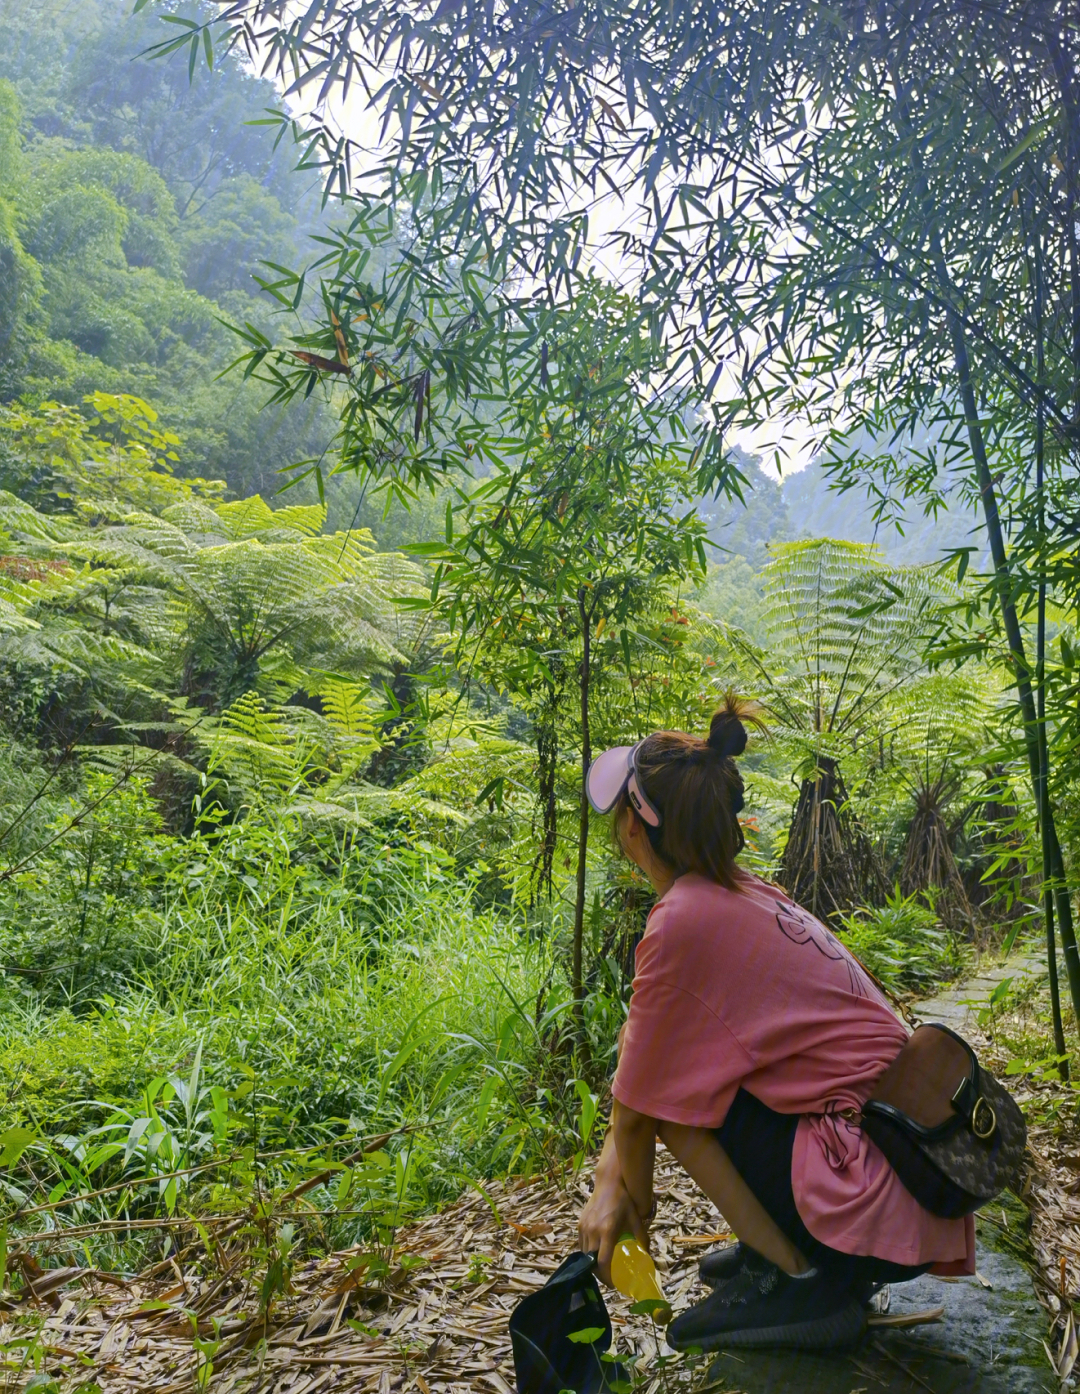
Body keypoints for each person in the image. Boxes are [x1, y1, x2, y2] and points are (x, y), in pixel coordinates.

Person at [577, 694, 974, 1351]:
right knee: (690, 1083)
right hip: (902, 1170)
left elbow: (637, 1112)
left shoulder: (682, 920)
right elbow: (639, 1052)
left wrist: (629, 1217)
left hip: (873, 1190)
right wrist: (606, 1177)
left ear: (633, 828)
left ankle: (802, 1279)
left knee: (681, 1110)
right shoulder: (743, 891)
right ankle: (781, 1247)